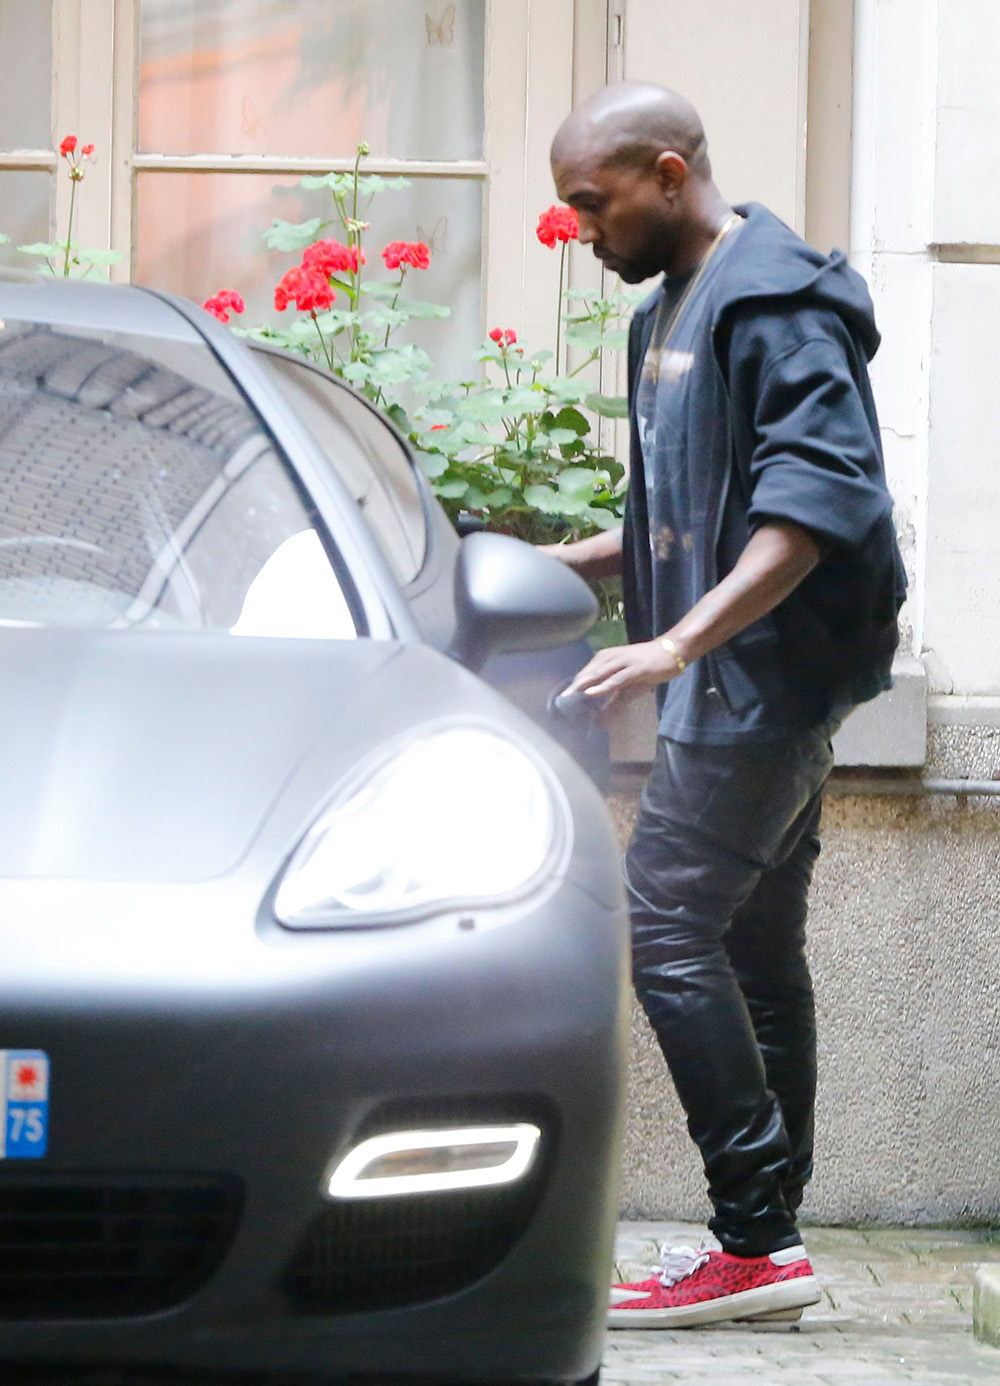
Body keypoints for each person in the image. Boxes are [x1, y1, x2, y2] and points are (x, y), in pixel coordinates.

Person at [545, 82, 906, 1328]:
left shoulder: (779, 305)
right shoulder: (672, 312)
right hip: (736, 672)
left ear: (664, 171)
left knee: (666, 929)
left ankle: (755, 1241)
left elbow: (810, 508)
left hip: (764, 678)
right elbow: (693, 493)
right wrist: (580, 562)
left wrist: (672, 645)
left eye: (592, 203)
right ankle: (770, 1247)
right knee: (747, 948)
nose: (582, 230)